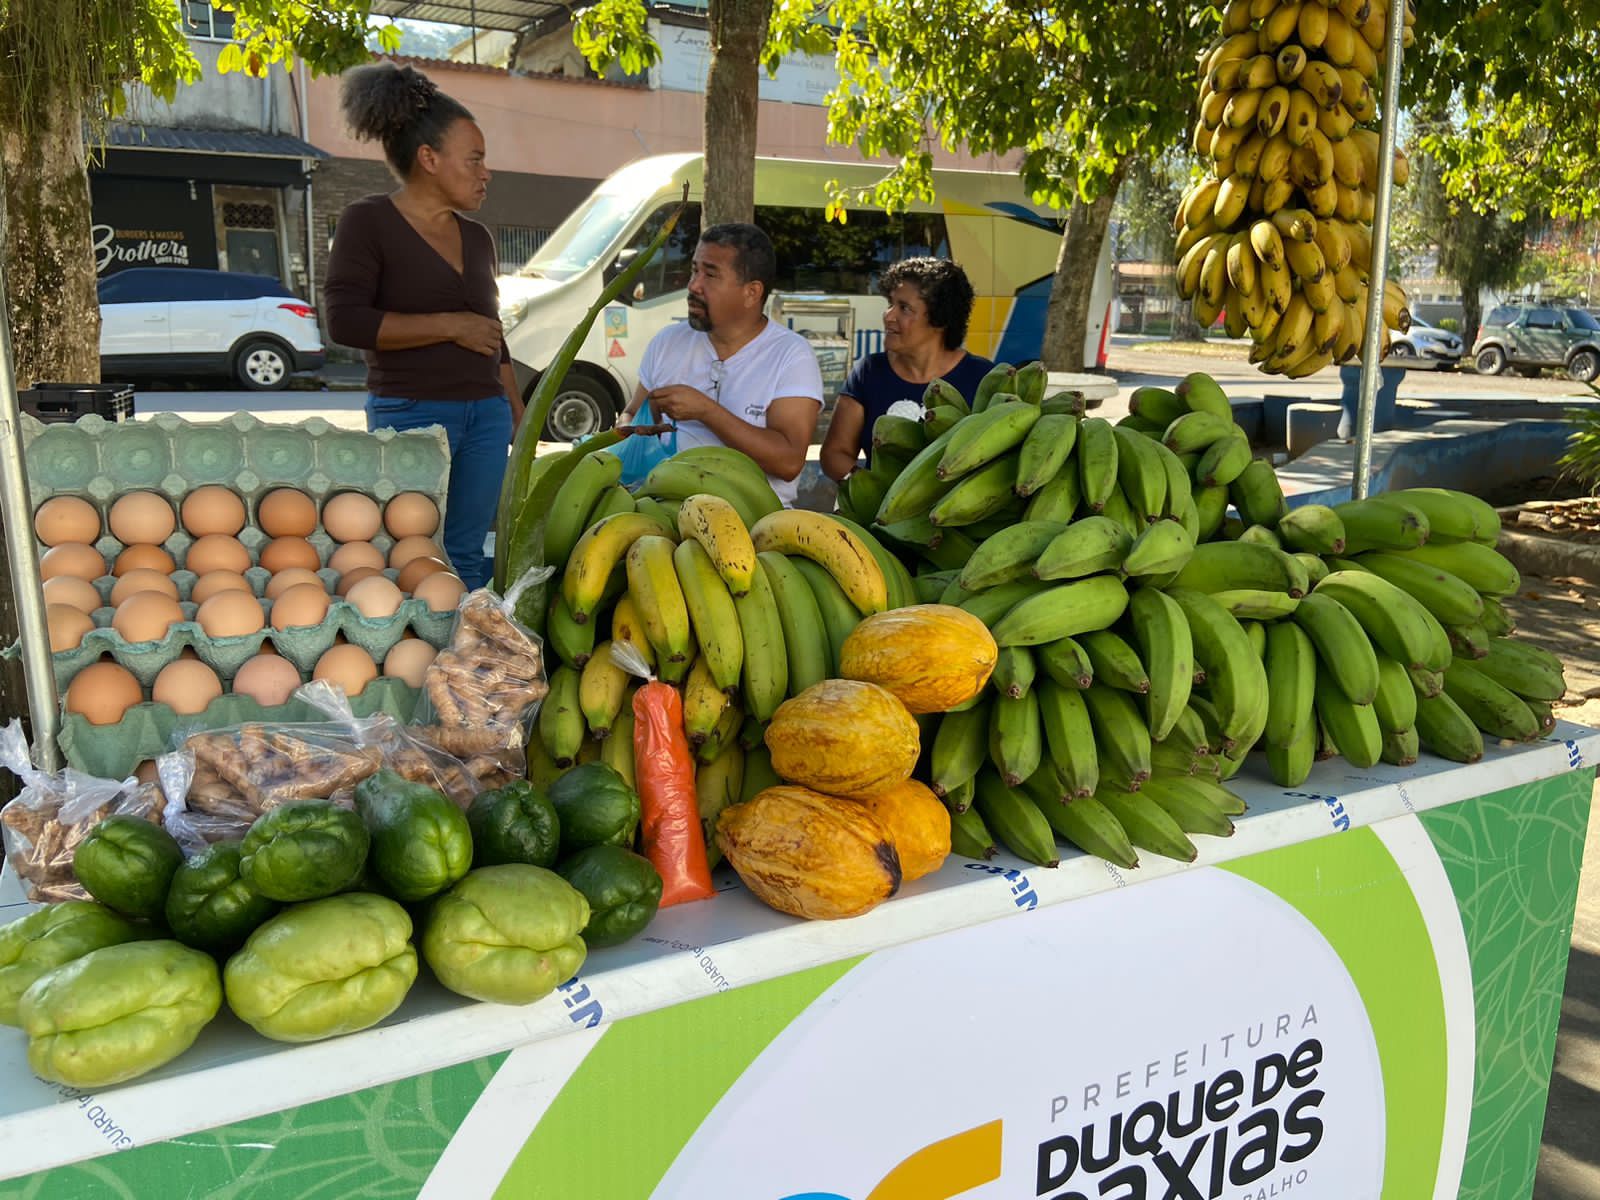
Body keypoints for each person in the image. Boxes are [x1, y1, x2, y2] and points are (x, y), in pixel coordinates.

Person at [324, 62, 523, 590]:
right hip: (411, 412)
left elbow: (491, 333)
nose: (486, 173)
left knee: (467, 551)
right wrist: (450, 326)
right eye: (474, 159)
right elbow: (345, 321)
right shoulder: (368, 221)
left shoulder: (478, 238)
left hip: (486, 416)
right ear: (429, 159)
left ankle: (467, 642)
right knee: (411, 553)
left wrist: (516, 410)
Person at [619, 223, 823, 507]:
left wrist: (706, 411)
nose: (693, 286)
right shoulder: (668, 342)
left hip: (756, 521)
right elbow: (632, 413)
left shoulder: (791, 356)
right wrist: (634, 427)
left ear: (752, 292)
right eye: (694, 270)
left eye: (710, 274)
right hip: (662, 509)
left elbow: (788, 462)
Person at [820, 258, 994, 482]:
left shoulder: (983, 378)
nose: (888, 316)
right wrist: (870, 487)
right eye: (890, 304)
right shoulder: (869, 372)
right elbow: (835, 454)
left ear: (941, 318)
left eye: (904, 308)